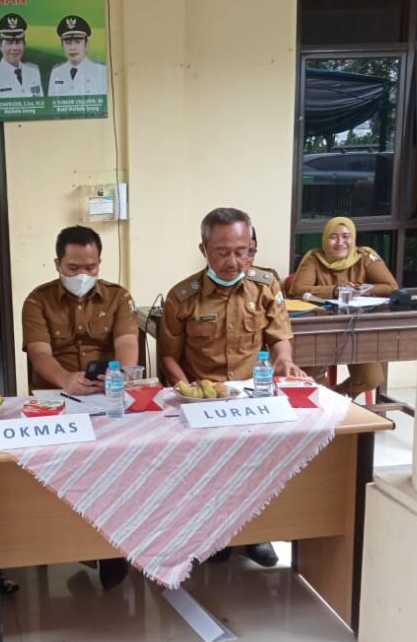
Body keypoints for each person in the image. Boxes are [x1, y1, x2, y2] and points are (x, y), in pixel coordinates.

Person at [158, 208, 307, 569]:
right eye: (222, 252)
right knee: (206, 474)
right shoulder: (183, 296)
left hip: (252, 396)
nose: (233, 261)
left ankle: (257, 534)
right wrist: (187, 390)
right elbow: (168, 356)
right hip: (202, 401)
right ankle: (214, 537)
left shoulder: (265, 285)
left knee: (257, 467)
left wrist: (284, 360)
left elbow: (279, 336)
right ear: (204, 250)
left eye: (243, 251)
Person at [22, 226, 136, 589]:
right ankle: (76, 540)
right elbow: (39, 353)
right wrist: (65, 379)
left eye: (91, 267)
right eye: (73, 268)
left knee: (117, 464)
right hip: (55, 398)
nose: (83, 275)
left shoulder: (118, 297)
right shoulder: (37, 300)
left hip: (106, 395)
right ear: (58, 263)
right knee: (64, 469)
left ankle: (114, 547)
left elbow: (127, 343)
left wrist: (118, 376)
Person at [288, 216, 398, 397]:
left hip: (358, 329)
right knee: (310, 376)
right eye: (333, 237)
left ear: (353, 238)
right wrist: (335, 290)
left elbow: (391, 287)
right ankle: (324, 404)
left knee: (371, 378)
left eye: (346, 236)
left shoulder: (365, 257)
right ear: (325, 239)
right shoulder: (314, 258)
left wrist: (364, 289)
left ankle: (337, 397)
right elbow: (298, 289)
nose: (340, 242)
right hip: (321, 328)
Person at [0, 13, 44, 99]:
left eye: (18, 42)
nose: (14, 48)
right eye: (9, 43)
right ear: (0, 46)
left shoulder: (33, 71)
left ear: (24, 45)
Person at [47, 15, 107, 97]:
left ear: (86, 44)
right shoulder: (56, 72)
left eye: (78, 42)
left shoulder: (101, 71)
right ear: (62, 46)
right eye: (68, 42)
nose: (72, 48)